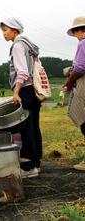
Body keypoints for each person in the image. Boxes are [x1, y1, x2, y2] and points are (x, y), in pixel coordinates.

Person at [0, 17, 42, 178]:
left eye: (6, 30)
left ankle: (29, 167)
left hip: (24, 89)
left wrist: (16, 92)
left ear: (15, 30)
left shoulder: (18, 45)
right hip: (33, 90)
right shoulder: (28, 45)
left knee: (26, 129)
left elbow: (22, 72)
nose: (4, 34)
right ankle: (36, 163)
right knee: (34, 127)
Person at [64, 16, 85, 172]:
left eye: (76, 31)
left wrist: (69, 82)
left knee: (84, 122)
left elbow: (80, 68)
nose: (76, 35)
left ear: (81, 30)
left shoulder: (83, 43)